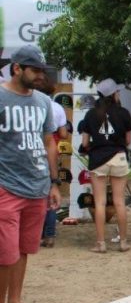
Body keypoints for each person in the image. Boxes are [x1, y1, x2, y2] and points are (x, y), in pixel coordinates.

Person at [0, 45, 59, 303]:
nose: (39, 76)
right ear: (17, 68)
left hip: (37, 188)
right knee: (5, 254)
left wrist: (53, 181)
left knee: (23, 249)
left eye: (41, 71)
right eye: (34, 70)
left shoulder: (43, 103)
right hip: (7, 188)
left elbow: (49, 141)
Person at [80, 78, 131, 253]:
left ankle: (100, 243)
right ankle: (123, 242)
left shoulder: (90, 115)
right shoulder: (124, 113)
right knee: (119, 202)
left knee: (100, 203)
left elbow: (85, 142)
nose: (119, 94)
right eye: (117, 92)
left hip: (98, 160)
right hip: (118, 158)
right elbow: (127, 141)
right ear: (113, 94)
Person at [37, 76, 69, 248]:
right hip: (52, 151)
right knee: (51, 193)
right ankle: (49, 235)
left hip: (32, 153)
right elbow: (63, 134)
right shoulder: (57, 107)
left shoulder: (32, 105)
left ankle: (36, 233)